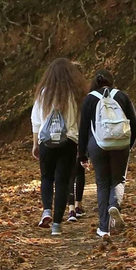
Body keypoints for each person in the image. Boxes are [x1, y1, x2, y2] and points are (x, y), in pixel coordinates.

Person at [78, 70, 136, 238]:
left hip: (97, 144)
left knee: (102, 183)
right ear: (111, 81)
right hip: (121, 145)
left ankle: (104, 228)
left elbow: (83, 129)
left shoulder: (89, 99)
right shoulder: (122, 96)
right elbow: (134, 122)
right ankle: (114, 205)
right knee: (118, 179)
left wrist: (82, 155)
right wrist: (129, 143)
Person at [30, 58, 85, 235]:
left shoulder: (43, 93)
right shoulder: (74, 94)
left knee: (46, 177)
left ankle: (46, 210)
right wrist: (80, 145)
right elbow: (79, 122)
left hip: (46, 142)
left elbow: (36, 121)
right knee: (62, 182)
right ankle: (56, 226)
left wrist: (35, 144)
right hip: (68, 142)